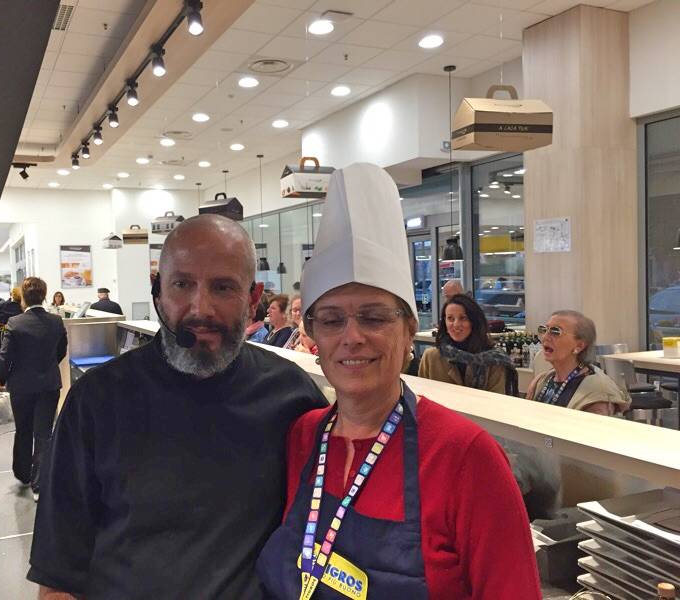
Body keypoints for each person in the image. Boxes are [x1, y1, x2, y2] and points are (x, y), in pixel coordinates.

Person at [257, 163, 540, 598]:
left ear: (409, 332)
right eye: (331, 320)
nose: (352, 337)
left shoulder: (465, 456)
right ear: (313, 336)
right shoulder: (303, 436)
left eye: (373, 317)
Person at [29, 214, 327, 598]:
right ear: (158, 291)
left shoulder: (293, 399)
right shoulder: (97, 401)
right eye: (183, 284)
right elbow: (58, 576)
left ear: (253, 299)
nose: (200, 308)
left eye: (223, 287)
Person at [0, 277, 67, 501]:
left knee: (23, 429)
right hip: (49, 385)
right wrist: (48, 365)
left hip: (21, 387)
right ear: (45, 296)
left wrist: (1, 378)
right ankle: (39, 485)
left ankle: (23, 474)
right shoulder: (56, 321)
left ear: (23, 298)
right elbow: (61, 350)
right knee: (43, 433)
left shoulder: (15, 323)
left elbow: (5, 357)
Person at [527, 309, 630, 415]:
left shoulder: (597, 394)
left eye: (555, 332)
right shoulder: (540, 381)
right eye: (544, 330)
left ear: (579, 346)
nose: (545, 337)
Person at [418, 294, 517, 396]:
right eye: (450, 318)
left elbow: (498, 403)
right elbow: (422, 399)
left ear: (474, 322)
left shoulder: (495, 360)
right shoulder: (431, 357)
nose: (456, 324)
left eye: (463, 318)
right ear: (444, 323)